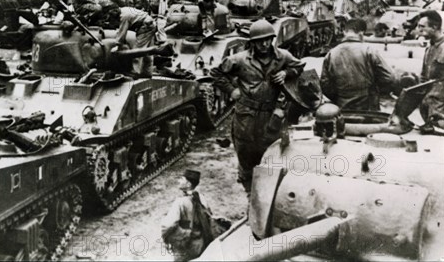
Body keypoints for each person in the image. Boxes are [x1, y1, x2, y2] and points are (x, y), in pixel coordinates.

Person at [211, 19, 304, 194]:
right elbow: (216, 73)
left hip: (271, 116)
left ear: (272, 39)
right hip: (246, 116)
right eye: (259, 41)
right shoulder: (239, 60)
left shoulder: (283, 56)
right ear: (252, 42)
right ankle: (250, 194)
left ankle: (269, 195)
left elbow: (299, 67)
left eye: (267, 39)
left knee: (273, 154)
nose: (264, 44)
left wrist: (286, 73)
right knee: (245, 154)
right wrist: (231, 90)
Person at [321, 18, 396, 111]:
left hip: (342, 107)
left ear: (345, 32)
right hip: (368, 107)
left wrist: (339, 97)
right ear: (361, 33)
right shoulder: (369, 51)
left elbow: (325, 84)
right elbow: (389, 78)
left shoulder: (331, 53)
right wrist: (375, 90)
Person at [161, 169, 213, 261]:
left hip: (185, 246)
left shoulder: (180, 202)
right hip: (200, 243)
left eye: (182, 179)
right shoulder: (201, 197)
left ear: (188, 184)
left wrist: (165, 238)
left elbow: (168, 225)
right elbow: (209, 216)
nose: (179, 181)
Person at [416, 10, 444, 133]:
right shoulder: (429, 49)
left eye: (422, 27)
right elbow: (423, 77)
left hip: (442, 114)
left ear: (434, 27)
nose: (418, 30)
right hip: (428, 111)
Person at [111, 6, 156, 77]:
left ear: (115, 11)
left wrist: (118, 45)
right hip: (151, 24)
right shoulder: (124, 9)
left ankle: (135, 72)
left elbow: (123, 32)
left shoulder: (124, 16)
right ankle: (147, 72)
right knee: (148, 50)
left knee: (137, 50)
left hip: (145, 26)